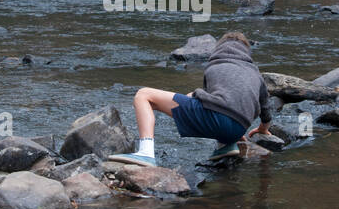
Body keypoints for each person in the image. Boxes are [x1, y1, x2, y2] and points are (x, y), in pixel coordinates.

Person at [109, 30, 272, 166]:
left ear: (219, 49)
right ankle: (227, 146)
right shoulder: (255, 74)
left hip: (219, 120)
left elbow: (211, 102)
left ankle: (145, 153)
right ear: (246, 52)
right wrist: (262, 129)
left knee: (143, 95)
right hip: (238, 129)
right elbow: (265, 109)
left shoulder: (214, 66)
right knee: (219, 105)